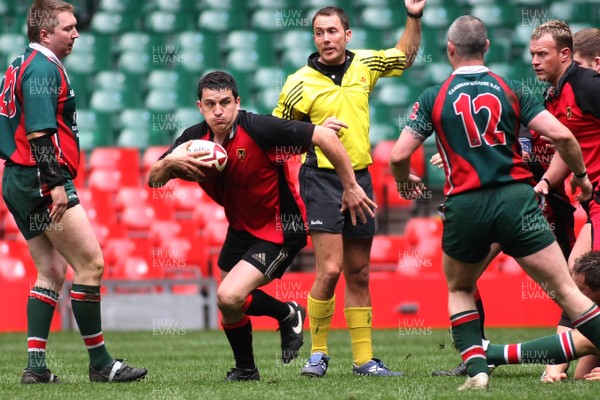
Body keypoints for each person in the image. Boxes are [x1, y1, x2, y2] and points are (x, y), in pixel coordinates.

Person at [389, 15, 600, 391]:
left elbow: (398, 155)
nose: (535, 61)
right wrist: (581, 178)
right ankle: (516, 360)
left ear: (449, 49)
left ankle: (478, 369)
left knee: (459, 288)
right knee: (568, 290)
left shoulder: (433, 96)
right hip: (518, 201)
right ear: (487, 48)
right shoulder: (512, 91)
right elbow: (565, 138)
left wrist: (405, 183)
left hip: (466, 205)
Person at [147, 71, 375, 381]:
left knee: (228, 296)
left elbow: (323, 137)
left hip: (280, 227)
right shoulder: (192, 140)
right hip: (241, 227)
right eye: (211, 104)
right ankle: (247, 368)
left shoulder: (259, 127)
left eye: (225, 103)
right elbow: (154, 179)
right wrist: (169, 163)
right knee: (229, 305)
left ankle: (286, 314)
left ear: (237, 103)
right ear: (200, 106)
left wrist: (350, 186)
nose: (218, 111)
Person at [273, 0, 426, 377]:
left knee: (359, 272)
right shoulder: (297, 83)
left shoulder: (365, 65)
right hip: (321, 178)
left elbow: (404, 57)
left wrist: (414, 15)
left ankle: (363, 360)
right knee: (330, 270)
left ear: (347, 35)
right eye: (319, 32)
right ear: (314, 37)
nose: (326, 39)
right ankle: (318, 354)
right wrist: (316, 136)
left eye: (333, 31)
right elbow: (278, 140)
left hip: (361, 179)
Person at [0, 0, 147, 384]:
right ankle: (101, 364)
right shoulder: (43, 68)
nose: (77, 33)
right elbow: (39, 133)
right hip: (38, 178)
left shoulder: (19, 65)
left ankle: (35, 367)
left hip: (17, 178)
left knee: (50, 271)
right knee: (91, 265)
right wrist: (54, 184)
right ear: (45, 33)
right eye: (69, 27)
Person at [528, 22, 600, 382]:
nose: (535, 62)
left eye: (542, 54)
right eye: (532, 55)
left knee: (584, 280)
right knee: (576, 283)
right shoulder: (553, 97)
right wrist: (543, 183)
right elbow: (566, 150)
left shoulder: (586, 85)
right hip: (593, 203)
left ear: (565, 55)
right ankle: (560, 368)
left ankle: (554, 365)